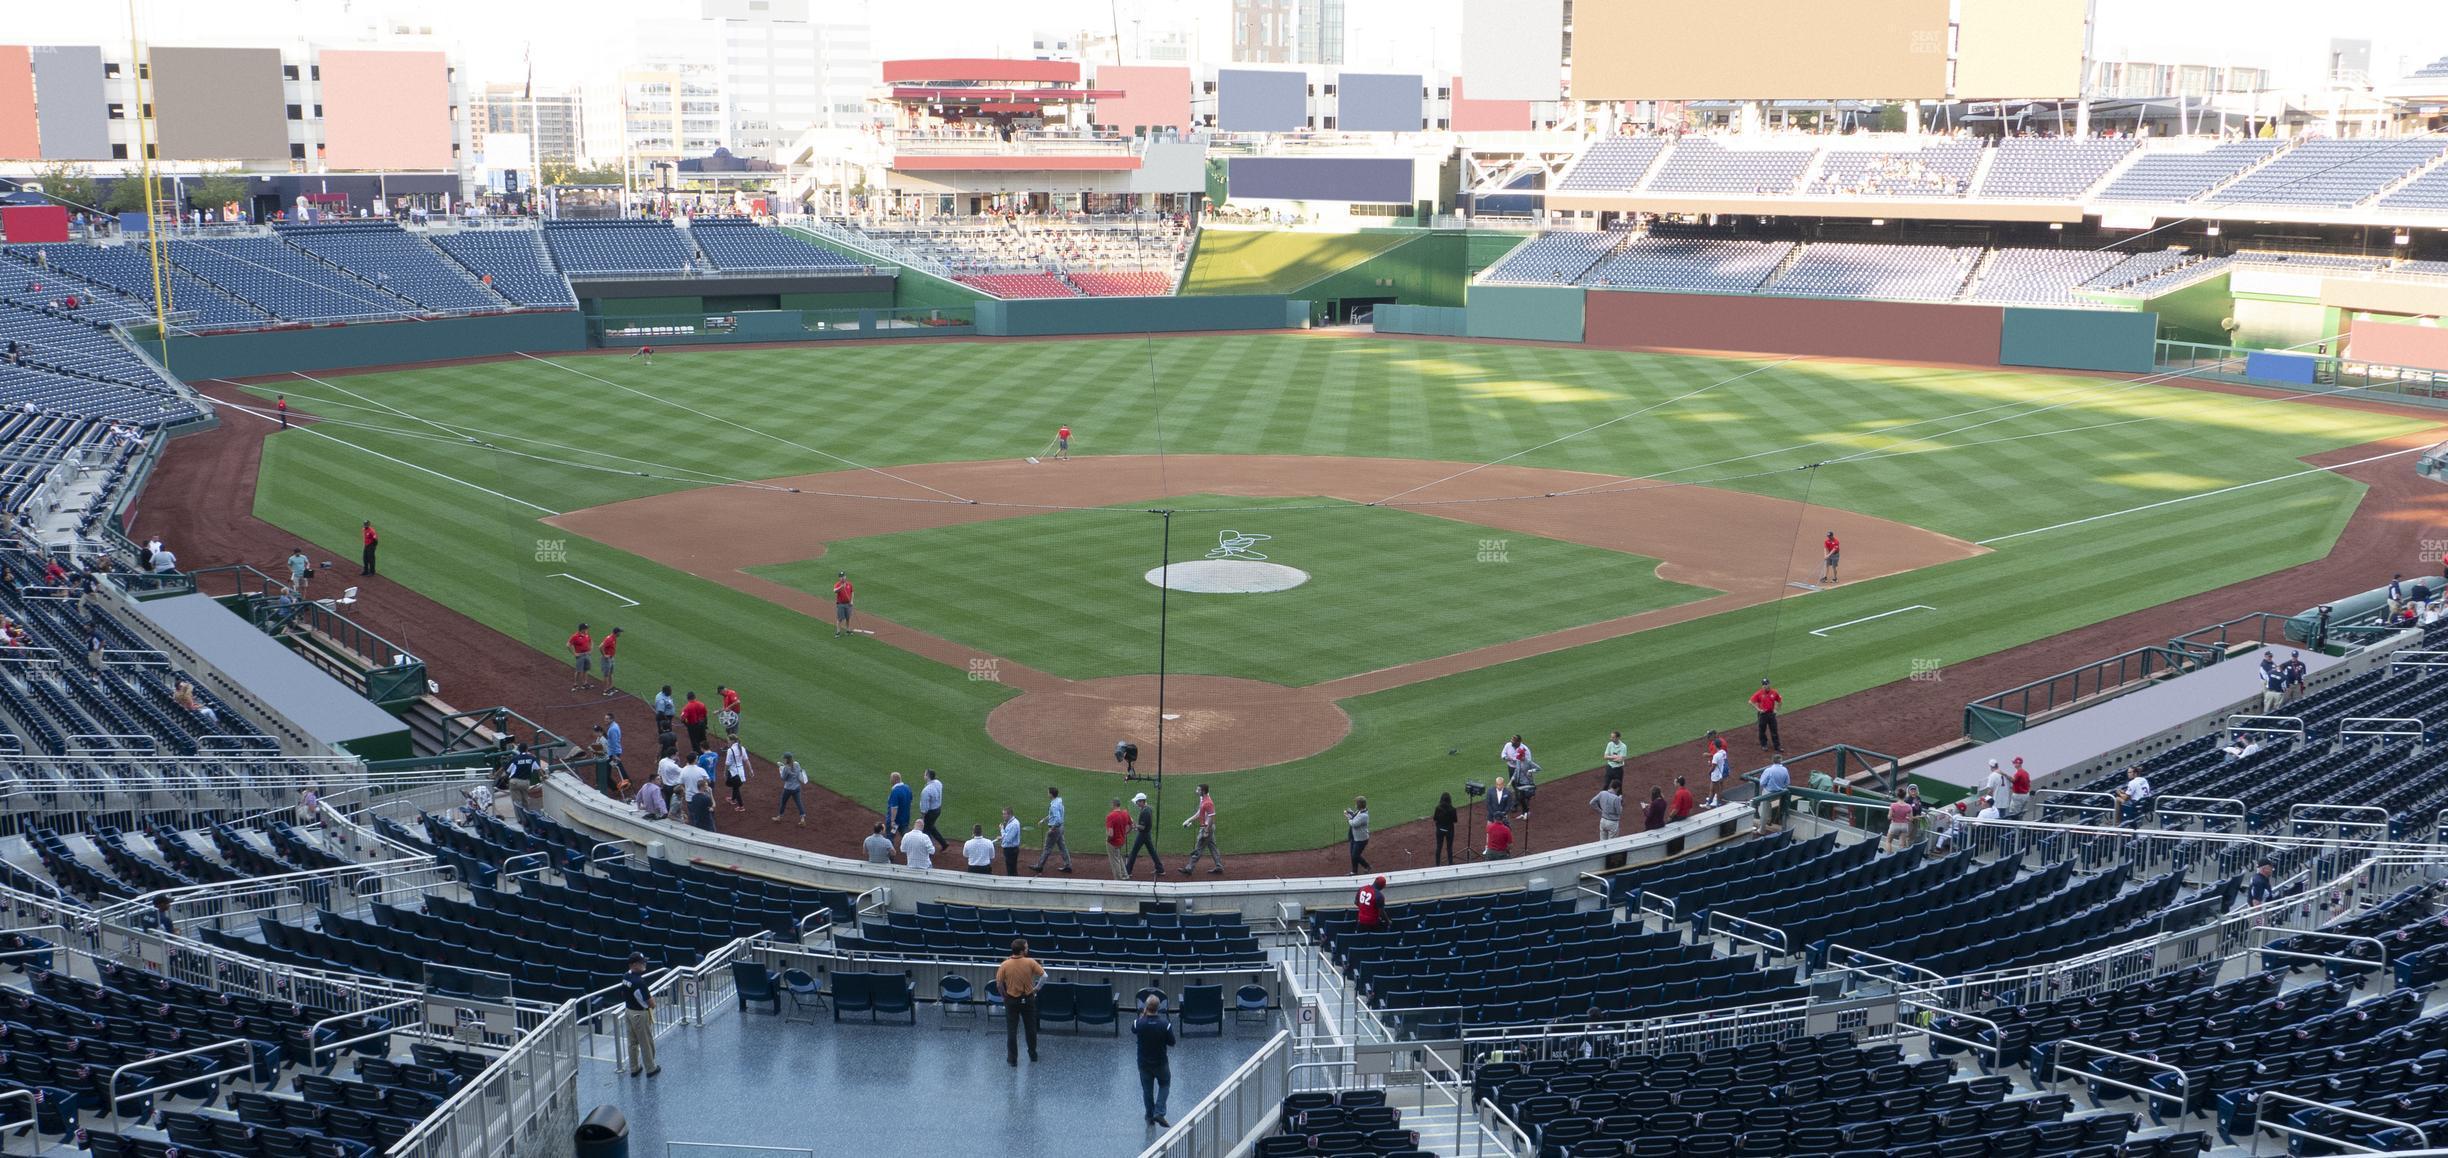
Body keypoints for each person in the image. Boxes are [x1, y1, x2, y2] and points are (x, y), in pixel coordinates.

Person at [997, 939, 1045, 1066]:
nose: (1028, 949)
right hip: (1028, 999)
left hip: (1011, 1000)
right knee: (1030, 1028)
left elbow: (999, 984)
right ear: (1022, 950)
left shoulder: (1005, 964)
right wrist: (1036, 989)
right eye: (1027, 947)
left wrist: (1004, 996)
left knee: (1012, 1030)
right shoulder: (1030, 962)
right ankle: (1033, 1054)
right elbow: (1044, 976)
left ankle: (1012, 1059)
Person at [1134, 992, 1177, 1126]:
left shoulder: (1138, 1023)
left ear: (1146, 1007)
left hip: (1143, 1064)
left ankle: (1149, 1116)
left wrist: (1144, 1015)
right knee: (1164, 1085)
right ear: (1158, 1007)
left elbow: (1134, 1029)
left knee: (1147, 1090)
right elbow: (1172, 1042)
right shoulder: (1165, 1024)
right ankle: (1159, 1111)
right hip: (1161, 1063)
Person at [621, 953, 660, 1077]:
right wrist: (653, 1002)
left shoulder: (625, 977)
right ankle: (651, 1068)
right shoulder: (640, 982)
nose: (644, 964)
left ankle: (634, 1068)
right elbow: (651, 1003)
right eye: (641, 962)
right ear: (633, 965)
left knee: (632, 1042)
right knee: (646, 1042)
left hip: (628, 1012)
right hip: (639, 1014)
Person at [1179, 784, 1223, 875]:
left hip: (1207, 828)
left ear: (1203, 791)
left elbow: (1212, 818)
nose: (1196, 791)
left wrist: (1206, 830)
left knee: (1198, 848)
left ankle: (1189, 868)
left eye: (1198, 790)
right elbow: (1199, 813)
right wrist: (1188, 820)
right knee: (1212, 847)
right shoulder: (1203, 799)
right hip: (1206, 827)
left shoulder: (1208, 802)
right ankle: (1219, 866)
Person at [1034, 786, 1072, 873]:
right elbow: (1053, 815)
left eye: (1048, 792)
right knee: (1062, 847)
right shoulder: (1058, 801)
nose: (1047, 794)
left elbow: (1057, 819)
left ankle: (1039, 866)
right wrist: (1044, 819)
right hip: (1061, 828)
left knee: (1047, 848)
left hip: (1055, 829)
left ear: (1051, 794)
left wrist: (1052, 829)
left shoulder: (1054, 805)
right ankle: (1068, 865)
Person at [1128, 792, 1164, 876]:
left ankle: (1128, 871)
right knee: (1152, 851)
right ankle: (1160, 868)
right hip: (1146, 834)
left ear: (1141, 801)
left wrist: (1134, 826)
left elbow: (1142, 827)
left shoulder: (1145, 812)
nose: (1136, 804)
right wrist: (1136, 827)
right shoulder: (1148, 808)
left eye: (1137, 802)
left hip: (1143, 835)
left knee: (1133, 852)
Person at [774, 751, 806, 823]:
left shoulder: (786, 768)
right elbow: (798, 773)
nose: (783, 760)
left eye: (784, 759)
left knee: (783, 802)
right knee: (799, 802)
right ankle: (802, 818)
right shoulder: (797, 764)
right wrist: (782, 766)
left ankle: (779, 817)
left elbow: (783, 778)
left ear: (787, 759)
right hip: (797, 788)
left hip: (788, 789)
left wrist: (780, 768)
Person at [1750, 679, 1783, 750]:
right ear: (1762, 685)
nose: (1765, 686)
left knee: (1774, 730)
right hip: (1762, 715)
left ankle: (1777, 746)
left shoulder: (1774, 692)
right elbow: (1751, 701)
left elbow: (1780, 700)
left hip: (1771, 714)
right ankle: (1764, 745)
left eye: (1767, 684)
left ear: (1769, 684)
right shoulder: (1759, 693)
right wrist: (1758, 709)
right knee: (1762, 730)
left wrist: (1776, 710)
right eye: (1764, 684)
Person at [920, 769, 946, 849]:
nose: (923, 775)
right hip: (938, 809)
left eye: (925, 774)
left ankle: (929, 849)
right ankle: (944, 843)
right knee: (931, 827)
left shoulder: (926, 790)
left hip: (930, 813)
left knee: (926, 830)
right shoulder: (938, 783)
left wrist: (922, 817)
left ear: (928, 776)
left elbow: (924, 808)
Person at [1106, 796, 1132, 879]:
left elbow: (1110, 834)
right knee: (1119, 857)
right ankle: (1125, 875)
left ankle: (1119, 879)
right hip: (1121, 841)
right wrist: (1125, 833)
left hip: (1113, 842)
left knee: (1115, 861)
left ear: (1113, 804)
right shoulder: (1125, 813)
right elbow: (1131, 825)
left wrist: (1108, 840)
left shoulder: (1110, 816)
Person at [1344, 796, 1371, 874]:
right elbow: (1354, 817)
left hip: (1361, 839)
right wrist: (1351, 812)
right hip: (1355, 837)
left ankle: (1367, 866)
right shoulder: (1360, 811)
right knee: (1353, 855)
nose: (1355, 805)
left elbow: (1353, 823)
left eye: (1356, 803)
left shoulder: (1364, 816)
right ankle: (1354, 871)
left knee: (1355, 855)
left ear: (1360, 805)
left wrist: (1347, 816)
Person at [722, 737, 750, 811]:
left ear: (732, 741)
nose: (727, 742)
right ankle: (733, 799)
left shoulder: (730, 750)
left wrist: (724, 772)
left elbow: (727, 764)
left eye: (728, 740)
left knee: (736, 787)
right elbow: (746, 760)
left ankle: (741, 806)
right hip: (740, 771)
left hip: (733, 772)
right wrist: (751, 770)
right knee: (736, 786)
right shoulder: (742, 748)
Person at [1705, 730, 1732, 806]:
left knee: (1716, 785)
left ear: (1714, 735)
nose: (1708, 738)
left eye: (1709, 736)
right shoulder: (1715, 743)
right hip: (1719, 766)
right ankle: (1714, 798)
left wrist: (1708, 756)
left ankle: (1716, 800)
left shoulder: (1720, 744)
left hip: (1719, 768)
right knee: (1717, 784)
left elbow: (1716, 756)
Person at [1432, 792, 1458, 865]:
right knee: (1449, 848)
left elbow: (1435, 819)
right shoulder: (1453, 809)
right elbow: (1455, 820)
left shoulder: (1438, 808)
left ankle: (1437, 864)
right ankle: (1450, 863)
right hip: (1449, 831)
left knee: (1439, 847)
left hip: (1440, 830)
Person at [568, 623, 595, 692]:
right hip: (580, 655)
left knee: (586, 669)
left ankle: (585, 683)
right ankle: (575, 684)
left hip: (587, 655)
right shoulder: (575, 636)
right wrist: (574, 653)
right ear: (582, 629)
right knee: (579, 670)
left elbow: (591, 641)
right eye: (586, 628)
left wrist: (591, 650)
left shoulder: (586, 635)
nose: (587, 629)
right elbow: (568, 645)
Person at [886, 771, 913, 839]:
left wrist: (892, 821)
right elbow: (910, 801)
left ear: (895, 780)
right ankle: (911, 846)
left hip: (896, 821)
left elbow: (894, 807)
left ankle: (889, 848)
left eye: (891, 779)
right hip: (905, 818)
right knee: (905, 835)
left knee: (890, 835)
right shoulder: (907, 788)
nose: (890, 781)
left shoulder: (895, 791)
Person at [998, 807, 1024, 874]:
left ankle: (1013, 882)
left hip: (1011, 850)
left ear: (1010, 815)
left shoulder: (1013, 824)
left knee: (1011, 869)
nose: (1003, 816)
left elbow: (1008, 839)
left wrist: (1001, 829)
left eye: (1004, 814)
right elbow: (1008, 836)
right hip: (1011, 849)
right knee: (1011, 868)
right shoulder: (1011, 822)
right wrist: (1002, 837)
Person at [598, 628, 621, 695]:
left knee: (611, 673)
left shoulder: (614, 638)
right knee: (606, 675)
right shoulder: (609, 639)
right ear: (616, 633)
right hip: (607, 659)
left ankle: (610, 687)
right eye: (620, 632)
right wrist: (604, 655)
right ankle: (605, 690)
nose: (620, 634)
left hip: (611, 658)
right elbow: (600, 647)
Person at [832, 570, 855, 637]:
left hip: (848, 604)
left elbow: (852, 592)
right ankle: (838, 632)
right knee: (840, 618)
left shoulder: (849, 584)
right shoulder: (837, 584)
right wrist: (841, 587)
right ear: (839, 578)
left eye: (844, 576)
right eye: (841, 577)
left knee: (848, 617)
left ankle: (848, 630)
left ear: (845, 576)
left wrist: (852, 601)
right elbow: (834, 591)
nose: (843, 578)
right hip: (840, 604)